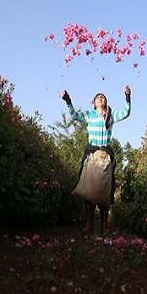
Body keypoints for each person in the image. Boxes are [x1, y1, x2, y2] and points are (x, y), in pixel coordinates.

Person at [61, 85, 131, 233]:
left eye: (103, 97)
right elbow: (74, 115)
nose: (101, 98)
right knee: (89, 190)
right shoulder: (89, 115)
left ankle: (105, 225)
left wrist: (127, 97)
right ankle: (89, 224)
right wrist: (68, 101)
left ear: (105, 102)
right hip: (92, 156)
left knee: (105, 190)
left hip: (105, 157)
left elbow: (126, 113)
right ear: (94, 103)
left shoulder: (110, 116)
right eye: (98, 97)